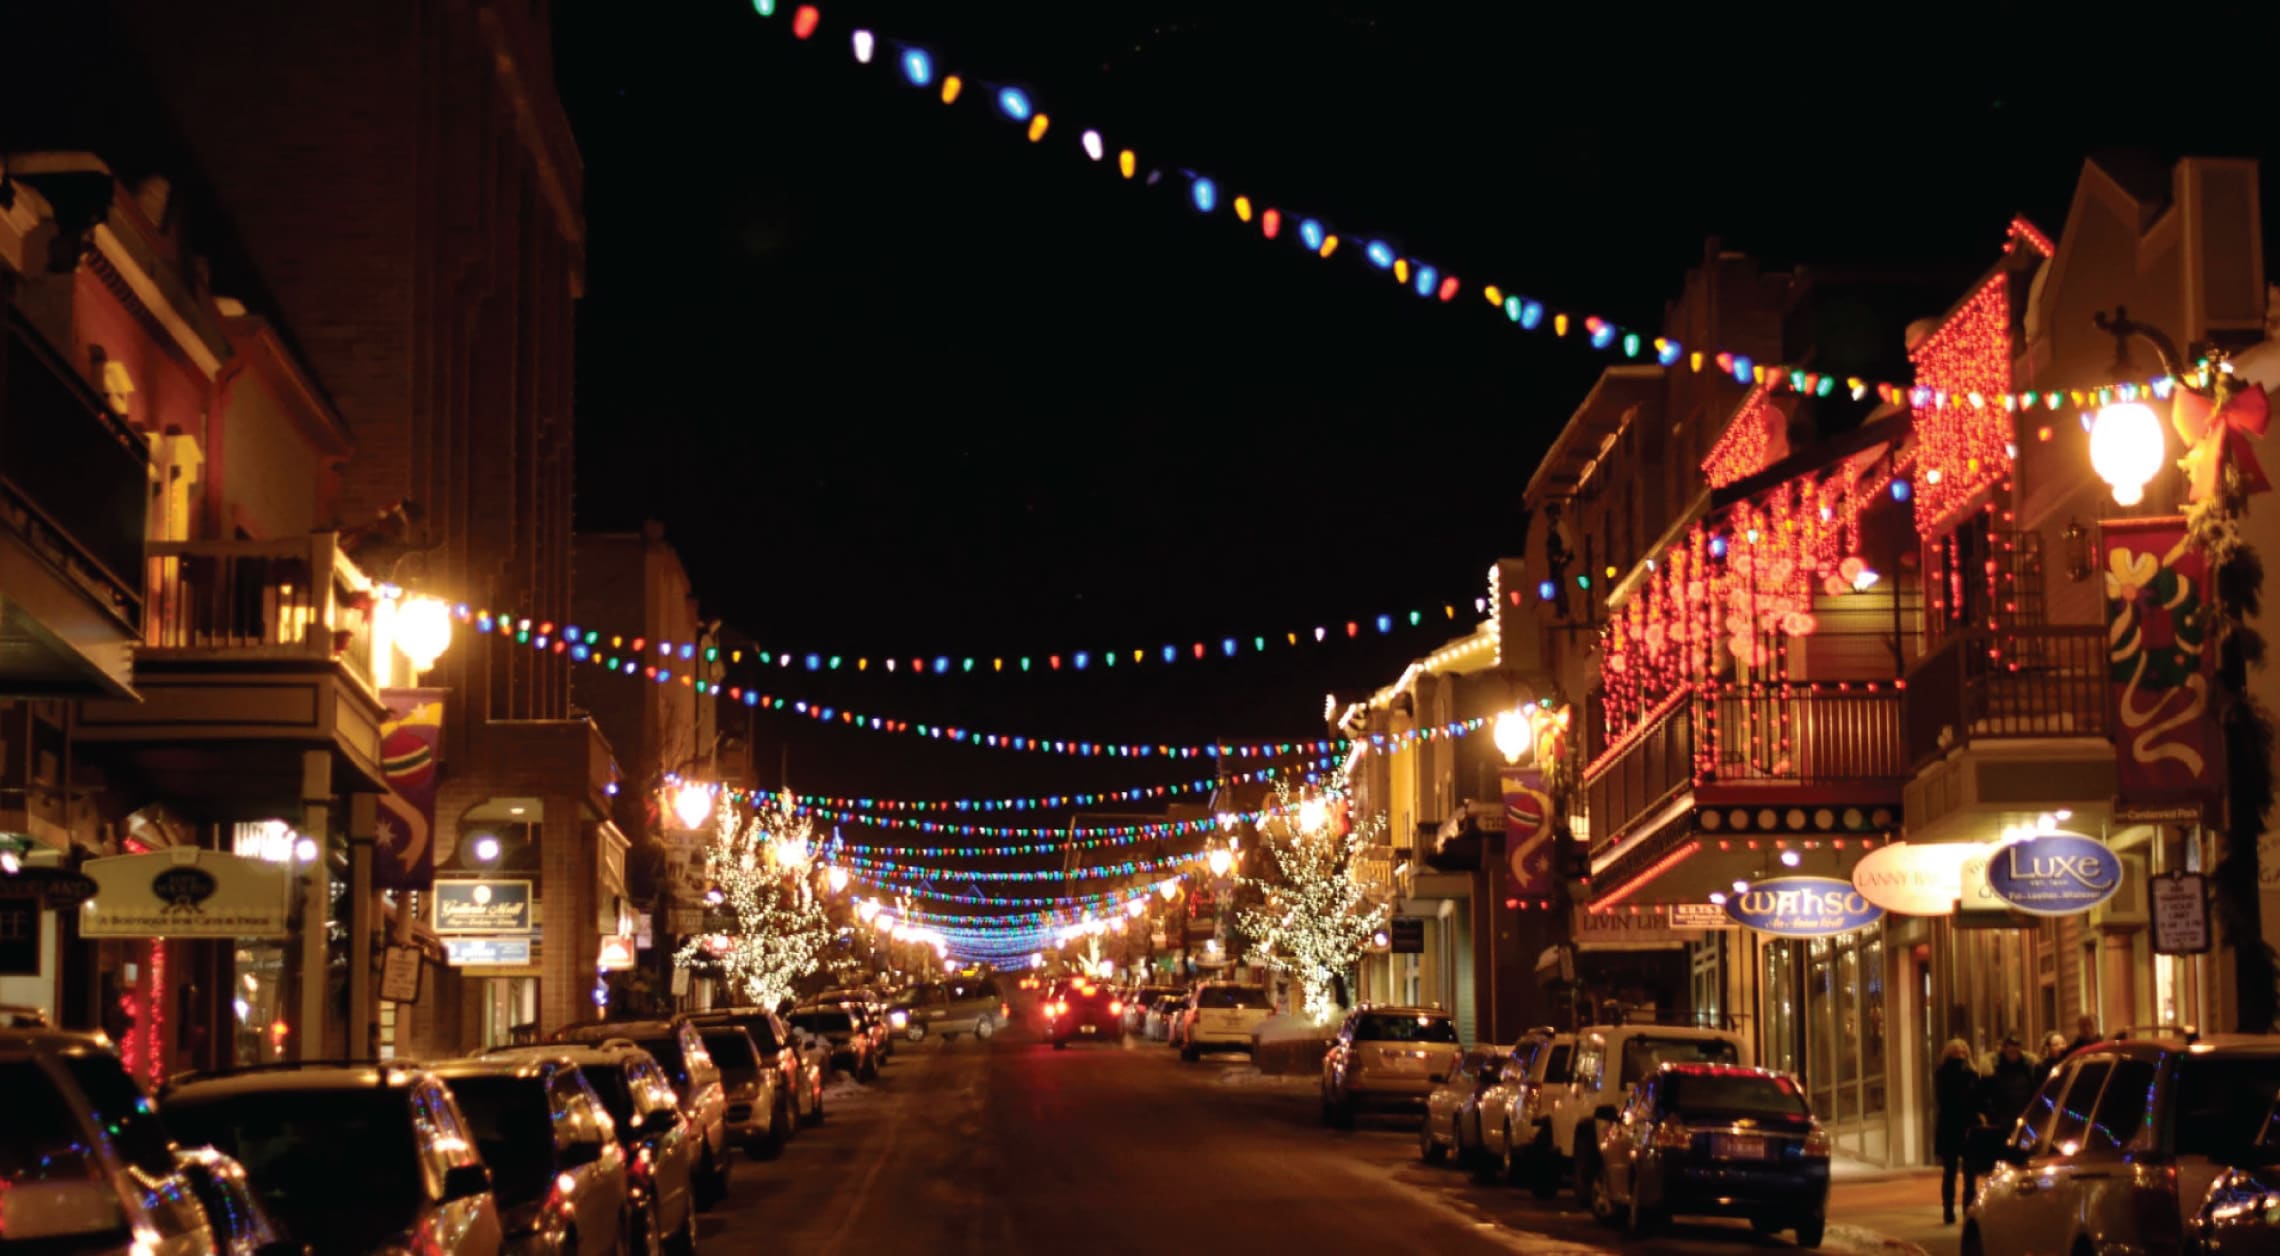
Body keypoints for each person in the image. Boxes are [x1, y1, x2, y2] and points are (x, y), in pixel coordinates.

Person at [1934, 1039, 1983, 1224]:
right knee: (1950, 1170)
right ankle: (1948, 1209)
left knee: (1970, 1171)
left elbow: (1978, 1097)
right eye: (1956, 1049)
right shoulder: (1944, 1072)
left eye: (1963, 1048)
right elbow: (1946, 1099)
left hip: (1969, 1126)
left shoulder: (1972, 1072)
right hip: (1950, 1125)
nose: (1961, 1051)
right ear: (1949, 1053)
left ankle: (1968, 1208)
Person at [1981, 1034, 2041, 1134]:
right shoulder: (1994, 1067)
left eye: (2016, 1050)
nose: (2014, 1053)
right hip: (2001, 1119)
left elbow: (2035, 1089)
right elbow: (1986, 1093)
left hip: (2024, 1117)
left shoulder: (2029, 1066)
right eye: (2011, 1050)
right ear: (2004, 1049)